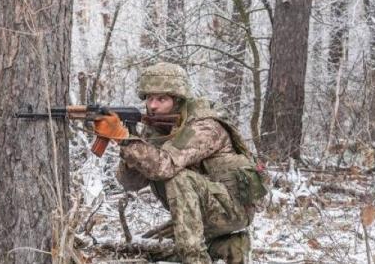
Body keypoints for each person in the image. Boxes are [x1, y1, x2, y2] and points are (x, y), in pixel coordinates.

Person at [103, 62, 267, 264]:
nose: (153, 105)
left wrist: (126, 141)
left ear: (179, 100)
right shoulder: (157, 129)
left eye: (161, 99)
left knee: (177, 177)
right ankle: (228, 246)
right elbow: (131, 183)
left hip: (232, 210)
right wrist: (130, 143)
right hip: (202, 212)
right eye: (149, 98)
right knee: (146, 248)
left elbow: (165, 166)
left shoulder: (205, 127)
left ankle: (196, 260)